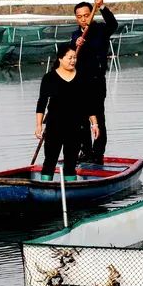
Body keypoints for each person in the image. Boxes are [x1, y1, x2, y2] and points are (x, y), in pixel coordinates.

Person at [35, 42, 99, 182]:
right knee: (50, 161)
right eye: (69, 58)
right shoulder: (49, 78)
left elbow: (89, 103)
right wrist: (39, 125)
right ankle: (46, 189)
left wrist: (94, 124)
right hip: (54, 126)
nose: (73, 61)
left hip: (76, 126)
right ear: (60, 58)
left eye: (74, 58)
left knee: (71, 162)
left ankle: (71, 192)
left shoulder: (82, 77)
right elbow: (42, 103)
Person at [72, 0, 117, 164]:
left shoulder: (101, 30)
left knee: (98, 118)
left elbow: (113, 25)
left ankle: (98, 153)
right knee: (81, 119)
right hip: (80, 84)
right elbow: (69, 57)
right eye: (80, 16)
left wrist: (102, 6)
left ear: (91, 14)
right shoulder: (75, 36)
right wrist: (76, 45)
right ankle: (86, 151)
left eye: (86, 15)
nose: (83, 19)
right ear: (76, 18)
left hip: (96, 82)